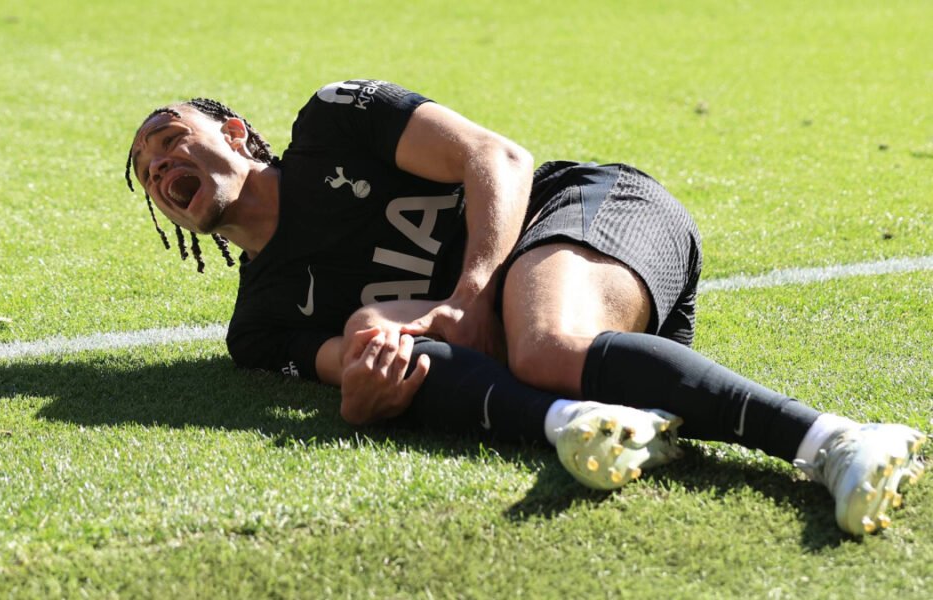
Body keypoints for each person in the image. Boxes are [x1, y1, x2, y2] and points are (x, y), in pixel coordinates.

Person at [125, 79, 926, 535]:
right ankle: (601, 427)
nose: (162, 168)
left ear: (234, 132)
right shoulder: (257, 325)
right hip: (538, 337)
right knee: (377, 335)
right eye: (149, 175)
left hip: (589, 214)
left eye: (169, 139)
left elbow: (497, 157)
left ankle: (838, 441)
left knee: (543, 343)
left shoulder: (334, 121)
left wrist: (470, 296)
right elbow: (352, 362)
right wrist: (363, 392)